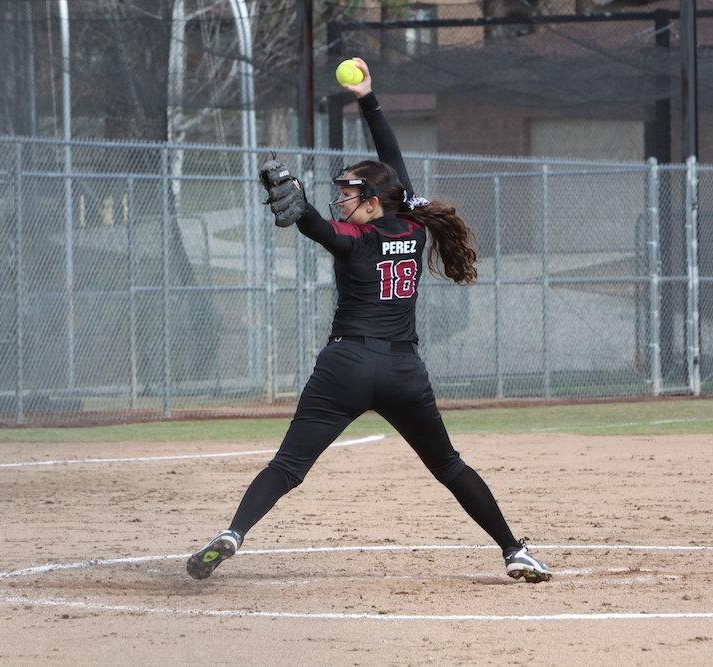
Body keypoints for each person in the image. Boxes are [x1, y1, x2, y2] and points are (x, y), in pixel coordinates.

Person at [187, 58, 551, 583]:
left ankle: (232, 534)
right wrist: (369, 99)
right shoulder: (413, 230)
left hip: (346, 366)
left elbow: (317, 225)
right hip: (404, 373)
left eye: (350, 193)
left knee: (288, 467)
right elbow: (392, 165)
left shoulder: (355, 238)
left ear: (374, 201)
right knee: (449, 466)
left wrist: (301, 207)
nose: (342, 198)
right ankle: (514, 550)